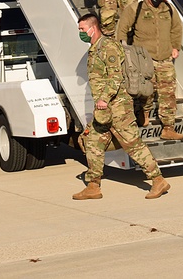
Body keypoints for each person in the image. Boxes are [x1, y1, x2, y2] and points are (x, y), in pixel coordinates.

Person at [73, 13, 170, 200]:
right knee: (92, 141)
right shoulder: (95, 48)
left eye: (82, 29)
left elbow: (115, 76)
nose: (80, 33)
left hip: (117, 107)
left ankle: (158, 180)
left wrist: (104, 98)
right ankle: (93, 186)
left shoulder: (108, 47)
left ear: (93, 28)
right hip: (104, 109)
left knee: (133, 144)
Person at [117, 0, 183, 139]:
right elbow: (122, 29)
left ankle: (168, 128)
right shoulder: (136, 8)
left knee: (168, 93)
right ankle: (144, 112)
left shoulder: (168, 9)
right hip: (144, 59)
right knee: (146, 91)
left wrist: (176, 47)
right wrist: (124, 50)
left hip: (165, 59)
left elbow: (176, 29)